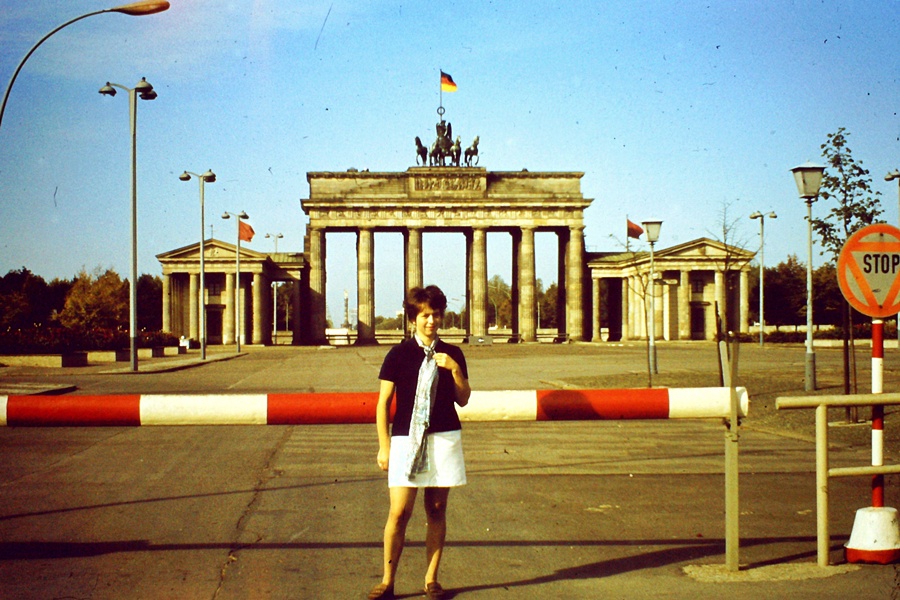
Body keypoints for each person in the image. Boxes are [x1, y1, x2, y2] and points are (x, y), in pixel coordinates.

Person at [368, 285, 471, 600]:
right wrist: (383, 445)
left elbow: (464, 400)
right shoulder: (398, 354)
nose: (432, 321)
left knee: (437, 509)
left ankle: (431, 580)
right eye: (425, 315)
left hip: (443, 437)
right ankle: (387, 581)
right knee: (399, 512)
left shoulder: (453, 353)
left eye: (436, 315)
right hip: (405, 439)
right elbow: (383, 402)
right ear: (413, 318)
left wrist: (454, 371)